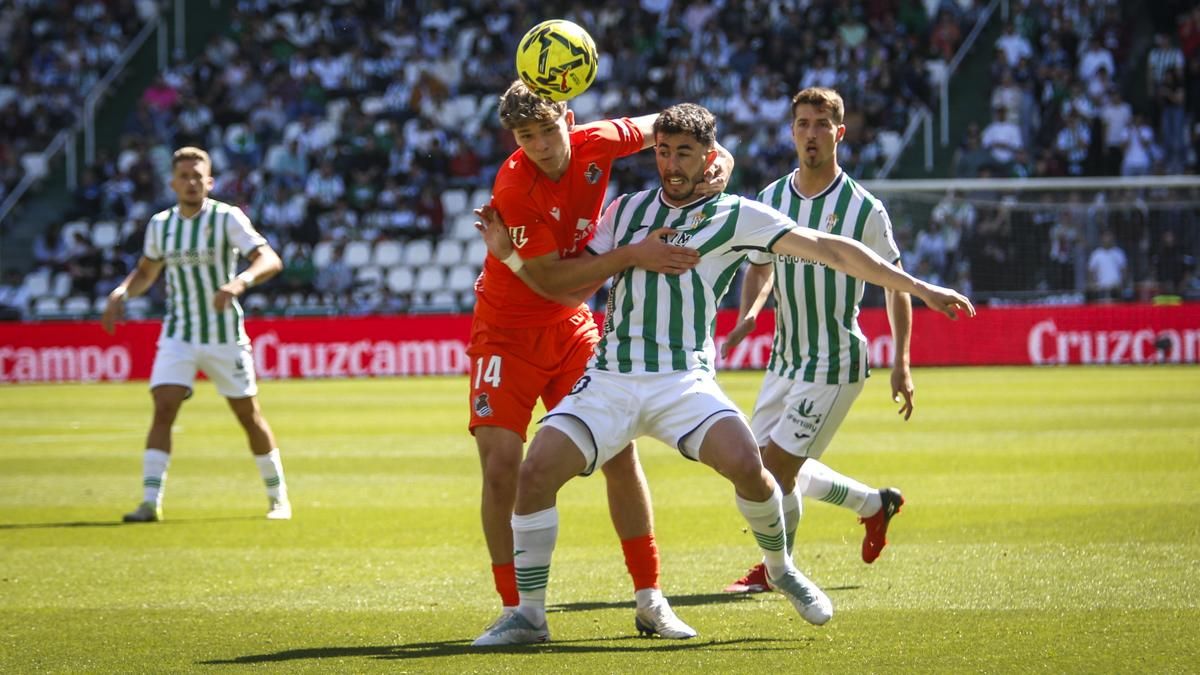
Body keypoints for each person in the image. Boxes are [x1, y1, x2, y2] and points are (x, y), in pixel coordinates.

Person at [472, 103, 974, 646]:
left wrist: (918, 287)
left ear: (710, 156)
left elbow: (829, 249)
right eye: (663, 152)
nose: (671, 165)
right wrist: (533, 260)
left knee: (749, 466)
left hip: (682, 380)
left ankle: (780, 568)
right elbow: (570, 290)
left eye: (684, 153)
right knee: (534, 474)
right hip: (612, 375)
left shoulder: (737, 215)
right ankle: (529, 616)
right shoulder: (625, 211)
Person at [467, 81, 733, 644]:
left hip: (571, 329)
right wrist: (633, 254)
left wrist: (721, 160)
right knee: (501, 470)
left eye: (548, 130)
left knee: (619, 454)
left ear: (568, 118)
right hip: (505, 333)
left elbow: (680, 124)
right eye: (526, 136)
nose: (541, 145)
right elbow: (550, 283)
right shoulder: (513, 185)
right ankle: (519, 610)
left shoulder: (600, 140)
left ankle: (650, 600)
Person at [719, 87, 919, 595]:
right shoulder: (771, 199)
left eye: (821, 124)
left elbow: (897, 285)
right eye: (803, 124)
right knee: (757, 467)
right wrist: (749, 315)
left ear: (839, 133)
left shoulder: (863, 208)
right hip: (785, 359)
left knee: (778, 470)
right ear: (792, 132)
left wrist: (902, 362)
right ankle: (874, 504)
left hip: (834, 362)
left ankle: (776, 570)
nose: (811, 133)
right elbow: (759, 267)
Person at [101, 147, 290, 523]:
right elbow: (147, 272)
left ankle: (278, 499)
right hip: (179, 334)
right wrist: (121, 292)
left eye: (197, 176)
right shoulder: (161, 225)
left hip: (223, 334)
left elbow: (269, 259)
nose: (191, 182)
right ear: (172, 183)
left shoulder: (227, 217)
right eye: (184, 176)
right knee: (163, 407)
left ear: (210, 182)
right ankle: (150, 502)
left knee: (248, 415)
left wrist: (240, 282)